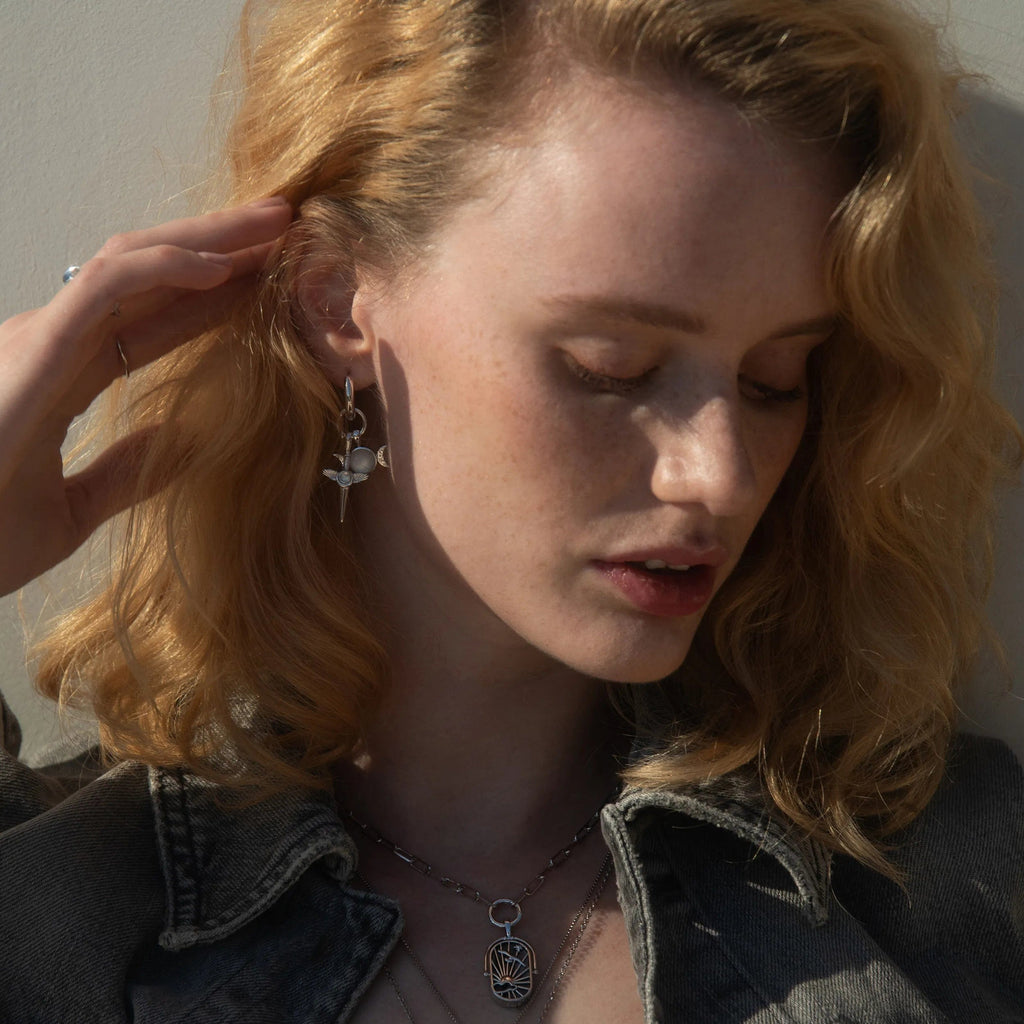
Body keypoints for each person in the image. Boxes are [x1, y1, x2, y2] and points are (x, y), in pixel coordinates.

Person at [1, 0, 1022, 1020]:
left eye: (775, 379)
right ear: (337, 304)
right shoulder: (65, 906)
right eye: (610, 366)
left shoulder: (953, 877)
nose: (719, 475)